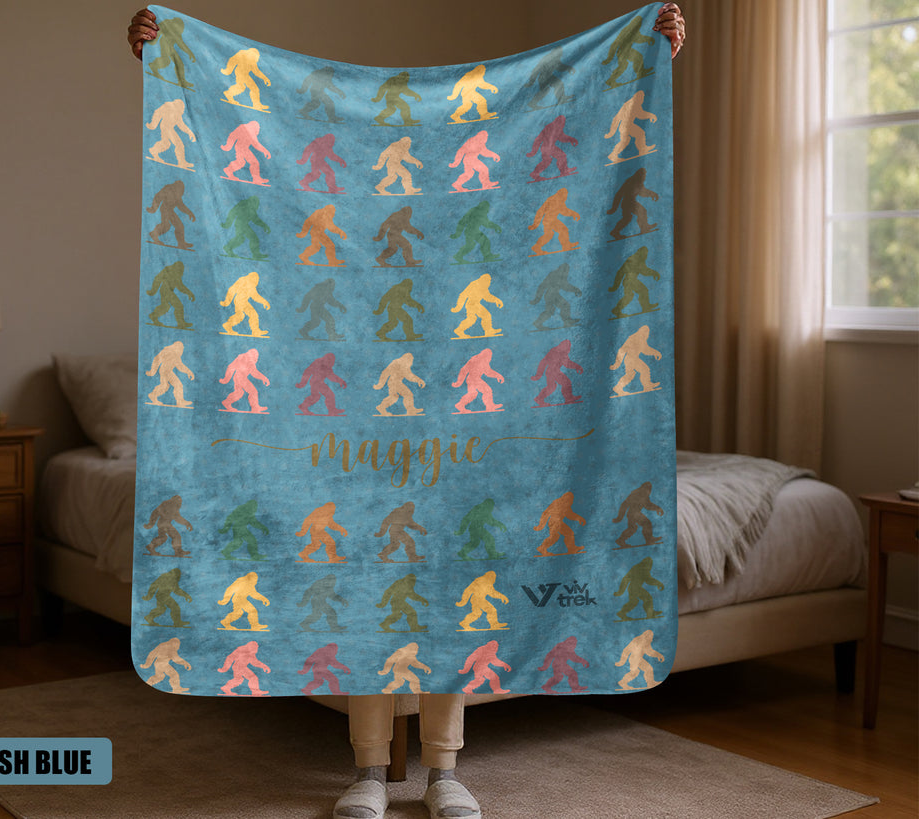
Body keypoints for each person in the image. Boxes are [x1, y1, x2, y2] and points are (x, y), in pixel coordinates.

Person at [127, 6, 686, 818]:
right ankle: (365, 769)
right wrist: (166, 48)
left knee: (455, 579)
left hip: (458, 427)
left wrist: (651, 48)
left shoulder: (469, 265)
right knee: (362, 578)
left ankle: (444, 768)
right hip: (353, 427)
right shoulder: (355, 266)